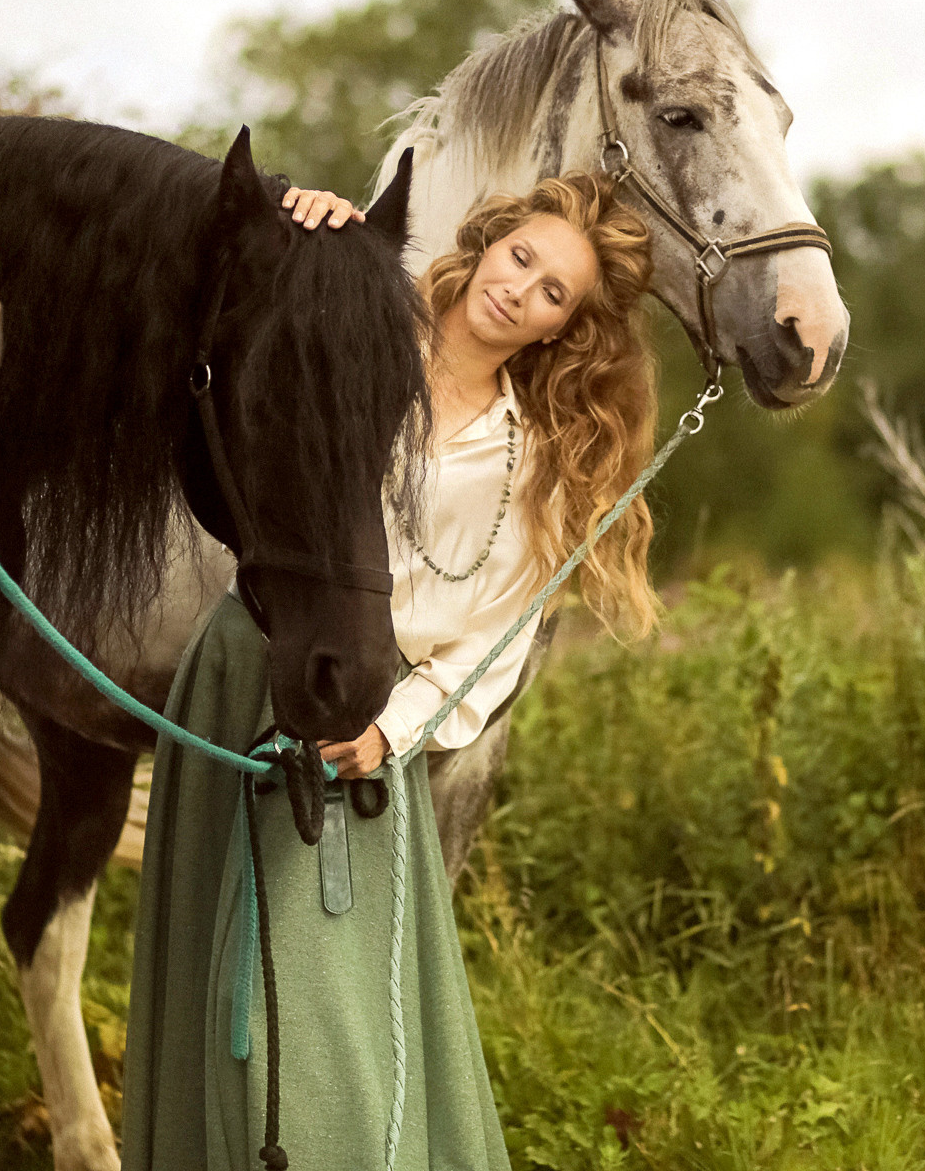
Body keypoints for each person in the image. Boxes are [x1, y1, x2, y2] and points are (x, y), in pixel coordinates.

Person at [122, 173, 660, 1171]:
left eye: (553, 292)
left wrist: (390, 730)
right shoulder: (350, 336)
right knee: (213, 991)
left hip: (362, 722)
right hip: (245, 666)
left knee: (310, 1026)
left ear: (565, 328)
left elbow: (494, 641)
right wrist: (311, 227)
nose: (520, 289)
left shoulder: (534, 459)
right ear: (487, 243)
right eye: (521, 256)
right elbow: (228, 302)